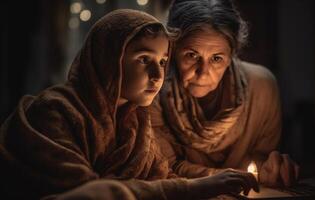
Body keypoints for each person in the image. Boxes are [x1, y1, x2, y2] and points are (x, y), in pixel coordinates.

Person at [0, 9, 258, 200]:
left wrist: (215, 182)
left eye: (162, 61)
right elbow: (91, 192)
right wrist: (193, 188)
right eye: (144, 59)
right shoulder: (54, 112)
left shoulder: (135, 122)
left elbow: (160, 179)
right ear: (108, 59)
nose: (158, 76)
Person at [150, 0, 299, 188]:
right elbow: (165, 167)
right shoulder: (153, 92)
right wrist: (223, 178)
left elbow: (260, 160)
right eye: (191, 55)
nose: (203, 72)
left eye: (216, 58)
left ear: (232, 55)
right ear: (172, 50)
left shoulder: (262, 88)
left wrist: (272, 168)